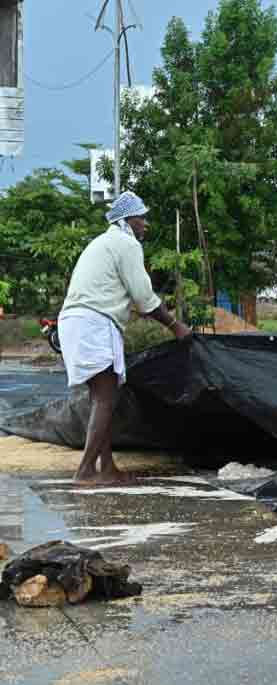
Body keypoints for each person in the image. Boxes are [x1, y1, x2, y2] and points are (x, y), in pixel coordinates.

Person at [58, 191, 191, 486]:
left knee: (100, 398)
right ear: (127, 220)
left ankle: (106, 467)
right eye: (141, 218)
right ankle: (86, 470)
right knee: (106, 397)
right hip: (93, 322)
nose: (145, 224)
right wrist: (175, 326)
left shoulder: (104, 242)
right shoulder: (125, 243)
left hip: (78, 321)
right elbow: (144, 297)